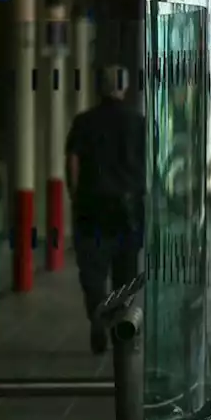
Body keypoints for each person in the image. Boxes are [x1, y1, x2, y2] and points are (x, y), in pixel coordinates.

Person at [66, 66, 146, 354]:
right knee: (125, 273)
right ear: (123, 88)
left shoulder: (84, 121)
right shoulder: (138, 122)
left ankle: (98, 316)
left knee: (92, 271)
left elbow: (73, 161)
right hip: (128, 211)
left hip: (91, 208)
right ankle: (118, 326)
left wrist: (75, 195)